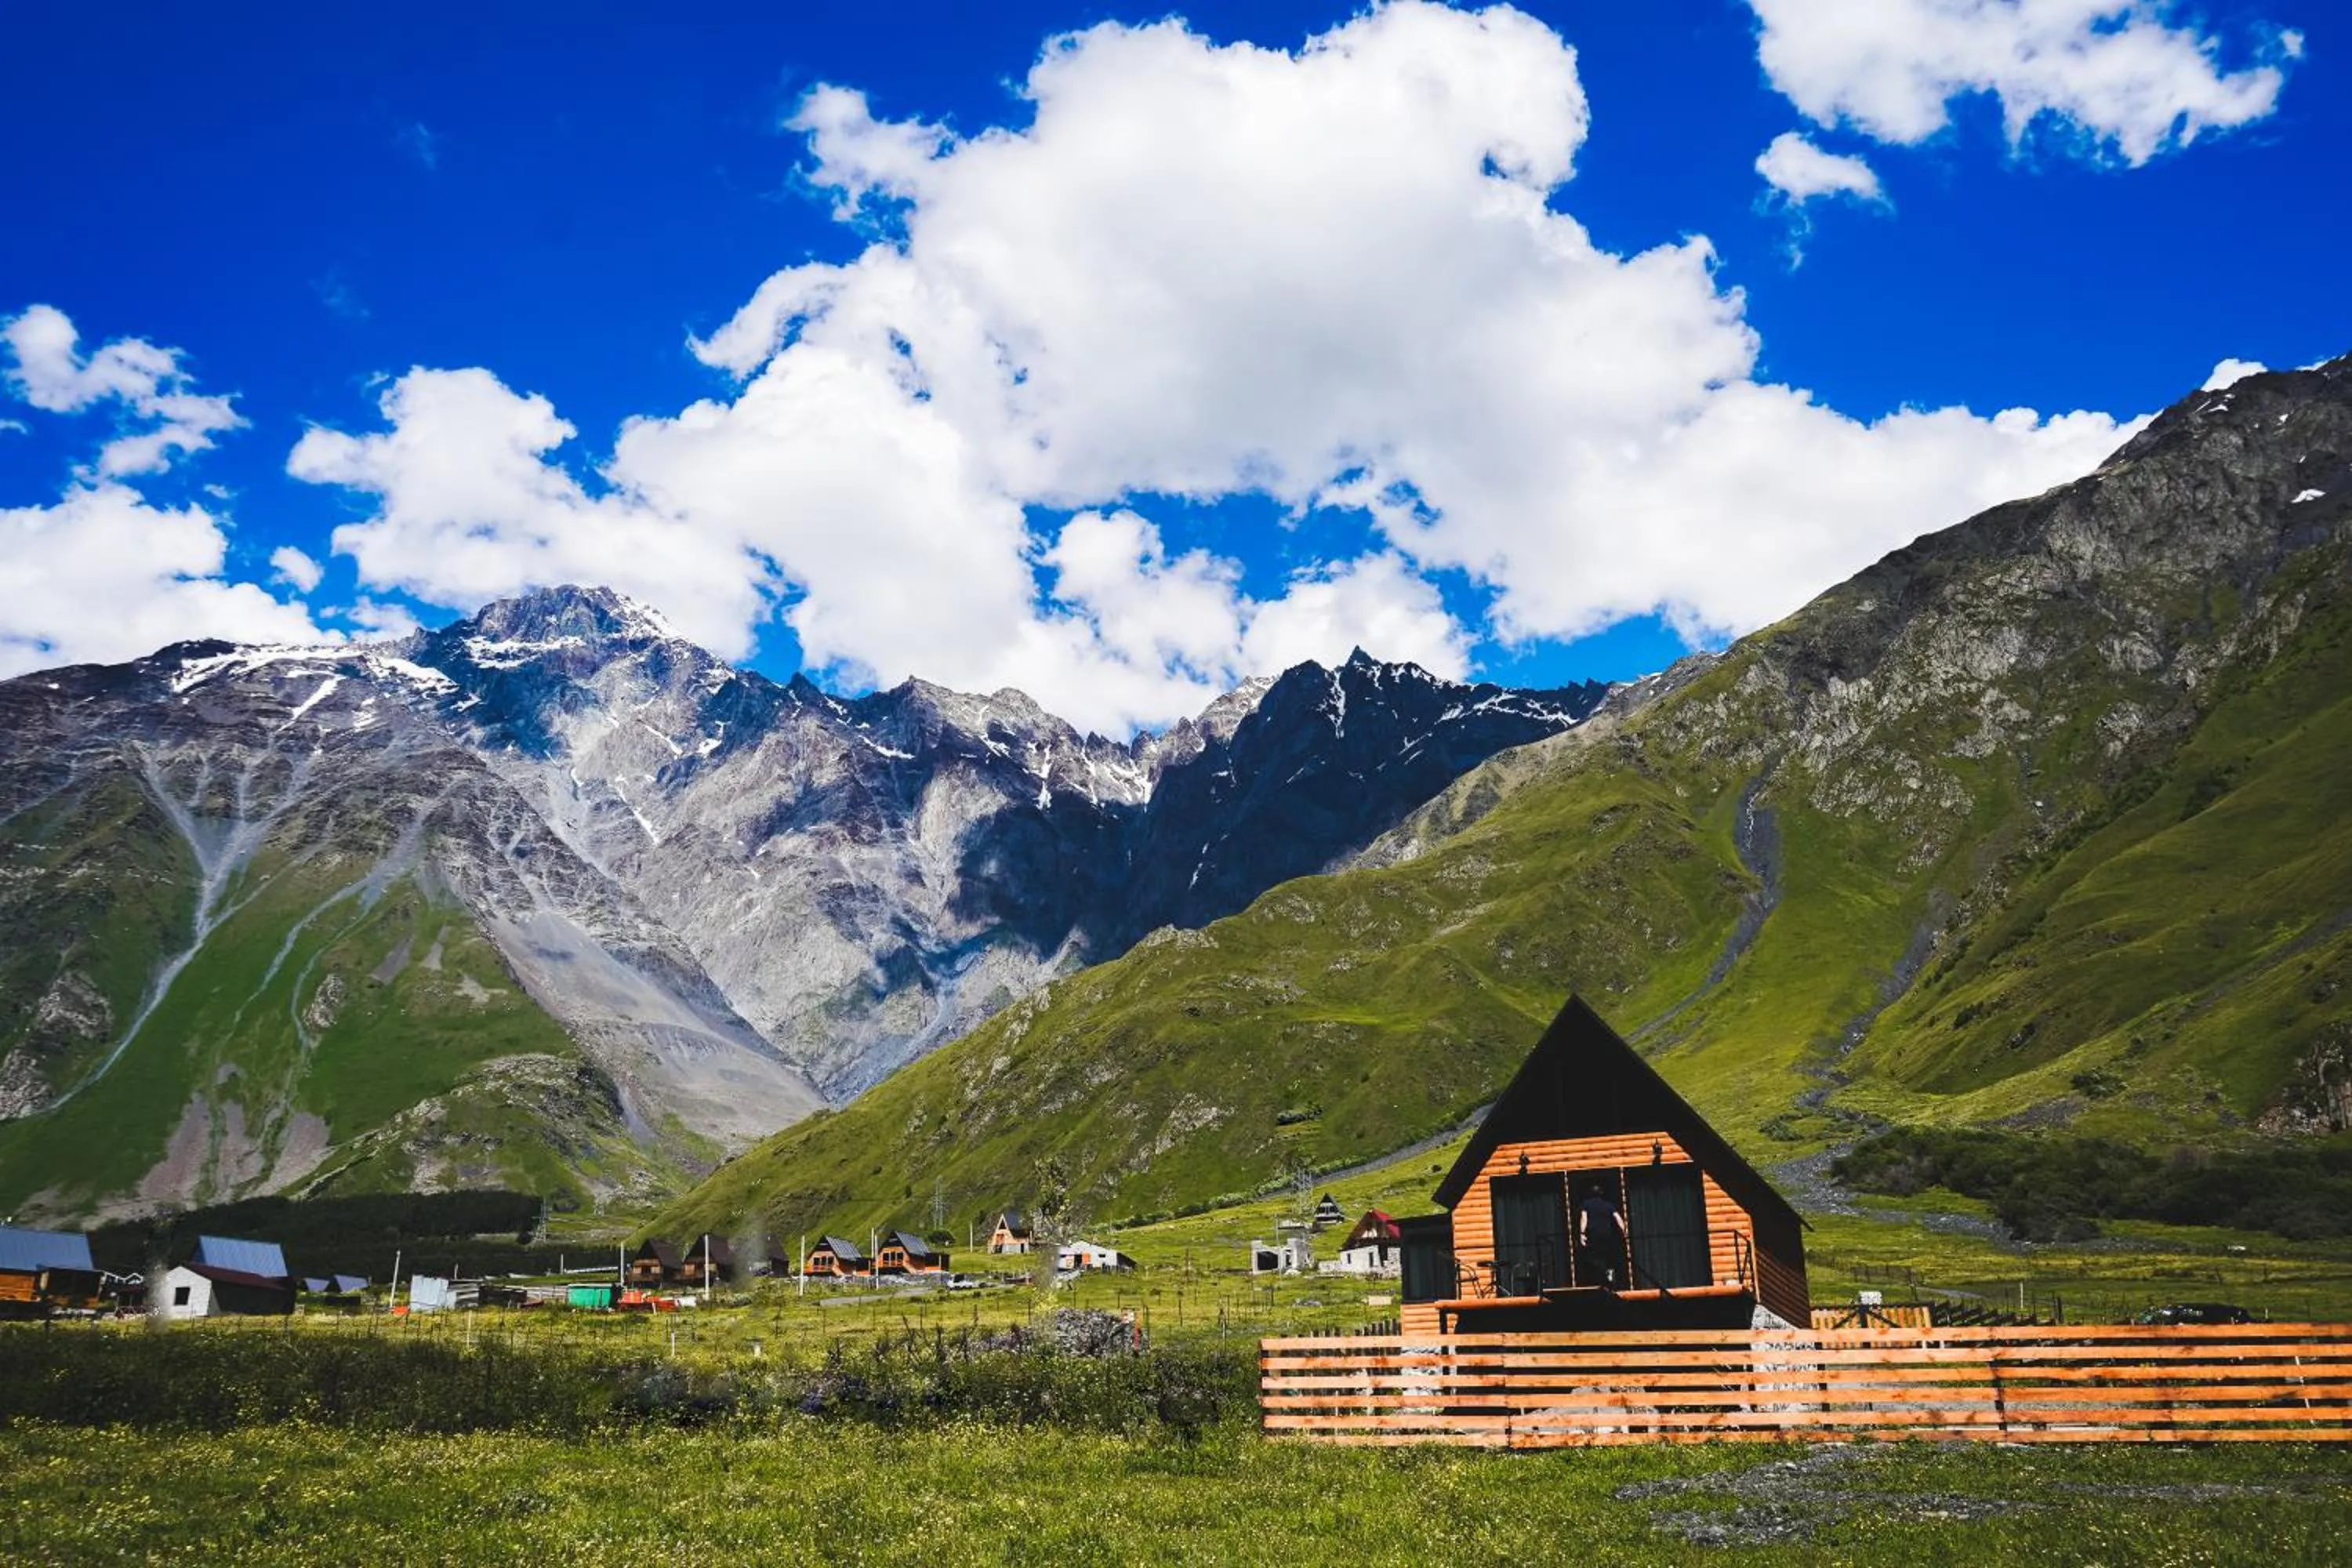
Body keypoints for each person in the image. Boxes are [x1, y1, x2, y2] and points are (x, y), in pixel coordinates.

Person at [1577, 1181, 1626, 1290]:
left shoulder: (1586, 1204)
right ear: (1601, 1193)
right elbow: (1618, 1218)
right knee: (1608, 1259)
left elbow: (1584, 1219)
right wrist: (1623, 1231)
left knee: (1596, 1259)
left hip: (1593, 1235)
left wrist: (1582, 1234)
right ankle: (1610, 1282)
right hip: (1607, 1235)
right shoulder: (1608, 1205)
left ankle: (1600, 1282)